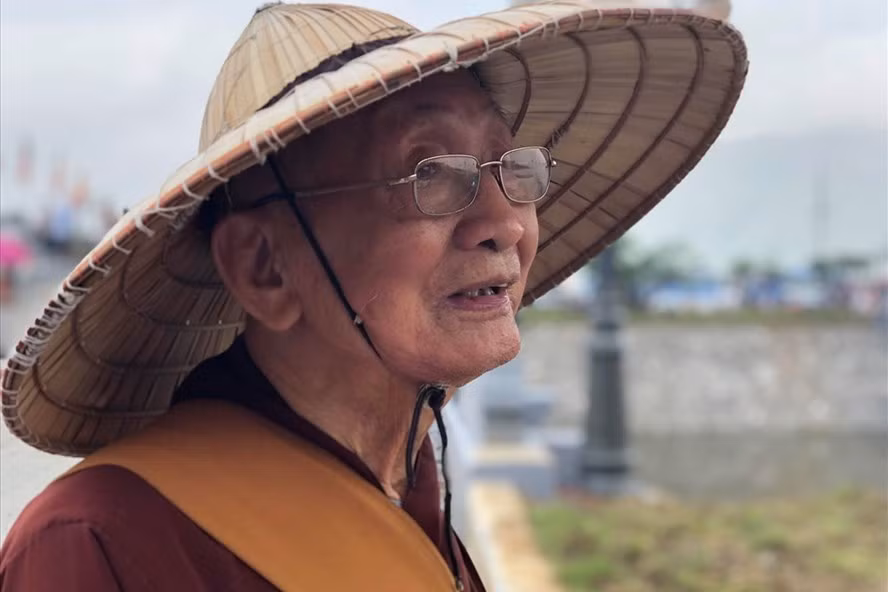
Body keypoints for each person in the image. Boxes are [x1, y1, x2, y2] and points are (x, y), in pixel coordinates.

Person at [0, 3, 747, 591]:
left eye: (511, 164)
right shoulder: (102, 543)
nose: (503, 224)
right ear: (264, 266)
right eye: (430, 173)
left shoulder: (409, 483)